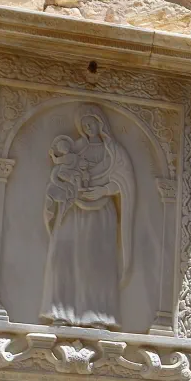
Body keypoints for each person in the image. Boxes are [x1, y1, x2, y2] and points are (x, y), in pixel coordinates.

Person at [40, 104, 137, 329]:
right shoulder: (74, 151)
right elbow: (59, 174)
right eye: (83, 124)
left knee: (97, 263)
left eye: (91, 122)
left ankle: (98, 316)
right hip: (73, 210)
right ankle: (61, 312)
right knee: (63, 258)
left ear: (100, 122)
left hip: (100, 213)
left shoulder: (114, 152)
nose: (88, 127)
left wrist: (103, 190)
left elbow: (124, 182)